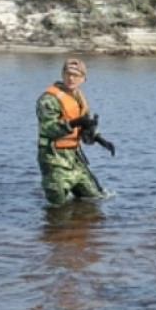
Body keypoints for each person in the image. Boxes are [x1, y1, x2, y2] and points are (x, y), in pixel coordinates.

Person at [36, 58, 116, 205]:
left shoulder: (78, 97)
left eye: (76, 76)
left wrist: (99, 139)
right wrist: (76, 122)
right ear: (62, 74)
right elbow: (48, 129)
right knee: (57, 206)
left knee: (94, 197)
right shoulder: (49, 99)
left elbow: (86, 124)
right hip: (53, 158)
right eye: (68, 74)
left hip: (74, 157)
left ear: (84, 79)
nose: (71, 79)